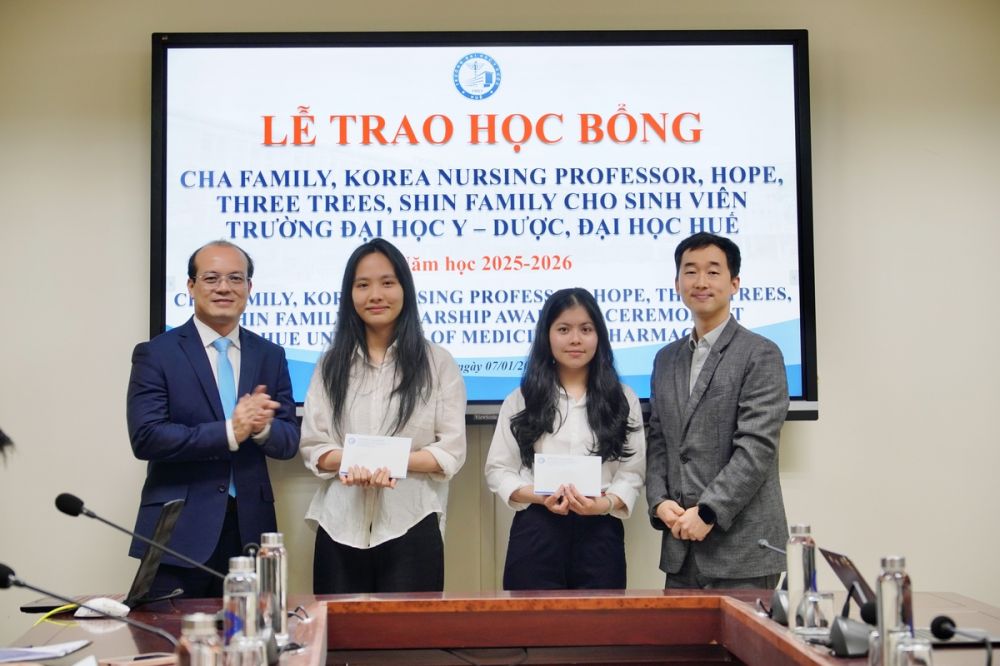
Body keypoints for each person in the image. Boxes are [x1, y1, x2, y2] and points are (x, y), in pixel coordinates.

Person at [126, 240, 300, 598]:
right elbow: (147, 437)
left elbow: (288, 441)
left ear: (249, 287)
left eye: (236, 278)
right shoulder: (157, 354)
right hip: (179, 532)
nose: (224, 287)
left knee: (251, 630)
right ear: (191, 286)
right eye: (211, 278)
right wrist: (230, 431)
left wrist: (261, 428)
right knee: (168, 632)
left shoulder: (270, 354)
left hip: (250, 529)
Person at [299, 238, 466, 594]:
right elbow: (314, 446)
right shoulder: (330, 365)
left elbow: (450, 451)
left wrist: (386, 462)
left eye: (387, 283)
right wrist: (353, 462)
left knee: (408, 630)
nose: (375, 295)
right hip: (339, 526)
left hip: (412, 524)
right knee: (339, 629)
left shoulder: (438, 363)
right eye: (363, 285)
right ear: (350, 294)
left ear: (405, 289)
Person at [645, 232, 789, 589]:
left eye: (713, 271)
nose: (701, 282)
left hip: (743, 552)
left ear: (734, 283)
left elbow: (757, 447)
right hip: (680, 548)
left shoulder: (760, 353)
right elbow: (659, 440)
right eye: (690, 271)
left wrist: (709, 511)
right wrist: (659, 502)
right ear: (677, 283)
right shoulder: (665, 359)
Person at [485, 287, 645, 590]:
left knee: (601, 619)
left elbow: (632, 473)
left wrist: (603, 504)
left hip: (601, 531)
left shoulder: (623, 399)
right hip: (536, 529)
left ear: (599, 335)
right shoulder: (522, 399)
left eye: (586, 329)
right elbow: (498, 469)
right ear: (547, 336)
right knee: (531, 619)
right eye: (563, 329)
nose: (575, 339)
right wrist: (538, 496)